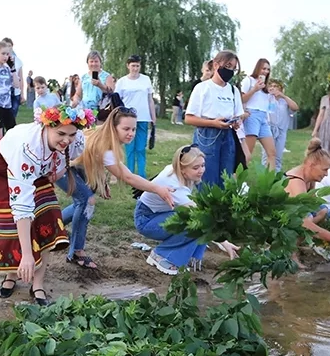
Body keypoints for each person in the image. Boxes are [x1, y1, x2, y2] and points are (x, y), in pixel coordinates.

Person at [0, 104, 95, 304]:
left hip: (37, 170)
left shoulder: (72, 142)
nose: (67, 140)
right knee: (11, 226)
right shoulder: (27, 149)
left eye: (71, 134)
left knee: (48, 219)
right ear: (46, 127)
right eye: (61, 133)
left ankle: (38, 284)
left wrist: (56, 170)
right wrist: (26, 255)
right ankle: (12, 274)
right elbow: (22, 207)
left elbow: (69, 160)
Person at [60, 107, 175, 270]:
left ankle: (52, 227)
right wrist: (158, 189)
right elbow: (128, 177)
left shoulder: (106, 137)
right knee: (87, 201)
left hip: (73, 166)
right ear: (114, 127)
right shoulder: (106, 145)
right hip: (61, 165)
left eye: (134, 129)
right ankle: (77, 252)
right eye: (126, 129)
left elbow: (95, 160)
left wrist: (102, 182)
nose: (131, 133)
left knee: (86, 199)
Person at [134, 145, 238, 274]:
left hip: (161, 213)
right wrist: (224, 242)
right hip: (146, 220)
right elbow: (203, 218)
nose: (201, 170)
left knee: (197, 219)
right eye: (196, 167)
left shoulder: (175, 170)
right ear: (182, 169)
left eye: (202, 165)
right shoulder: (176, 188)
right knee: (194, 222)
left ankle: (189, 258)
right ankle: (162, 256)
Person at [184, 50, 244, 188]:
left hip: (227, 135)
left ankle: (222, 208)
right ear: (216, 65)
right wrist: (212, 123)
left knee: (226, 178)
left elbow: (238, 114)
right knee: (206, 178)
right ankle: (205, 208)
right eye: (228, 66)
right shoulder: (202, 88)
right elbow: (189, 118)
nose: (230, 71)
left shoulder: (233, 90)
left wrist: (235, 122)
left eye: (233, 68)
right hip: (206, 135)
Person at [284, 138, 330, 265]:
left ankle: (302, 242)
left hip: (292, 213)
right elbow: (303, 222)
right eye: (325, 169)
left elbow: (312, 204)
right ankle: (290, 251)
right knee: (308, 218)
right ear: (311, 165)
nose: (327, 174)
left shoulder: (309, 177)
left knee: (322, 210)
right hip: (279, 217)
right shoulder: (297, 181)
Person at [114, 54, 156, 178]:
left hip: (143, 117)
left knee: (141, 148)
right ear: (128, 66)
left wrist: (153, 117)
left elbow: (150, 99)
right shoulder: (122, 82)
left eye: (137, 66)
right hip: (127, 119)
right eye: (133, 66)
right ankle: (129, 173)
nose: (135, 68)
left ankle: (142, 174)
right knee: (129, 147)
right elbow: (117, 101)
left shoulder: (146, 79)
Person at [240, 58, 277, 167]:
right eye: (264, 68)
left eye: (268, 69)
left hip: (263, 117)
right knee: (247, 154)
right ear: (258, 68)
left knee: (272, 152)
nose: (266, 71)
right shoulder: (249, 80)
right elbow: (242, 99)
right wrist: (254, 89)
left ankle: (269, 181)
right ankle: (239, 180)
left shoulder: (266, 85)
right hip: (252, 115)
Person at [263, 79, 299, 171]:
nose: (273, 88)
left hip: (281, 131)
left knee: (278, 156)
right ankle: (264, 175)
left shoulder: (285, 101)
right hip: (268, 129)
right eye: (271, 86)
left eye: (276, 86)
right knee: (267, 155)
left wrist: (283, 96)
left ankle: (276, 176)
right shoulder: (266, 98)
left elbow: (295, 108)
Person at [1, 37, 22, 119]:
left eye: (9, 46)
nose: (8, 48)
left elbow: (20, 77)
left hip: (15, 91)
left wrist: (22, 93)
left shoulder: (18, 61)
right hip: (3, 90)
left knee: (13, 114)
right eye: (5, 46)